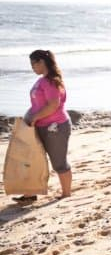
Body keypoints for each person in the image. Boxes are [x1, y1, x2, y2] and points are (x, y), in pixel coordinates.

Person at [13, 50, 72, 204]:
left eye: (33, 64)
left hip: (55, 128)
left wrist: (34, 117)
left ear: (41, 62)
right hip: (40, 126)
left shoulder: (51, 81)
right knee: (33, 160)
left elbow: (53, 105)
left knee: (59, 162)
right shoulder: (42, 80)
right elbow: (37, 104)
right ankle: (30, 194)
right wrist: (28, 119)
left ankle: (66, 194)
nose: (32, 67)